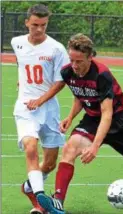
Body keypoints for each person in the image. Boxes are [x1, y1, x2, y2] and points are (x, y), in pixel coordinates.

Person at [36, 33, 123, 214]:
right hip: (92, 120)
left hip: (119, 123)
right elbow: (80, 95)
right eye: (71, 60)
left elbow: (107, 114)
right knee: (70, 148)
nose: (74, 65)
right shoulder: (68, 72)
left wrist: (95, 146)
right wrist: (70, 117)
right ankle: (58, 202)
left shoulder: (102, 74)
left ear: (90, 57)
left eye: (79, 61)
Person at [11, 4, 69, 214]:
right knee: (30, 147)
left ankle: (29, 187)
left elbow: (60, 82)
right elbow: (22, 64)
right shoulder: (16, 42)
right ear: (27, 22)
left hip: (49, 109)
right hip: (26, 107)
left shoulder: (56, 48)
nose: (39, 29)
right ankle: (40, 198)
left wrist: (41, 100)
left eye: (43, 25)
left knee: (51, 163)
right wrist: (24, 83)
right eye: (35, 24)